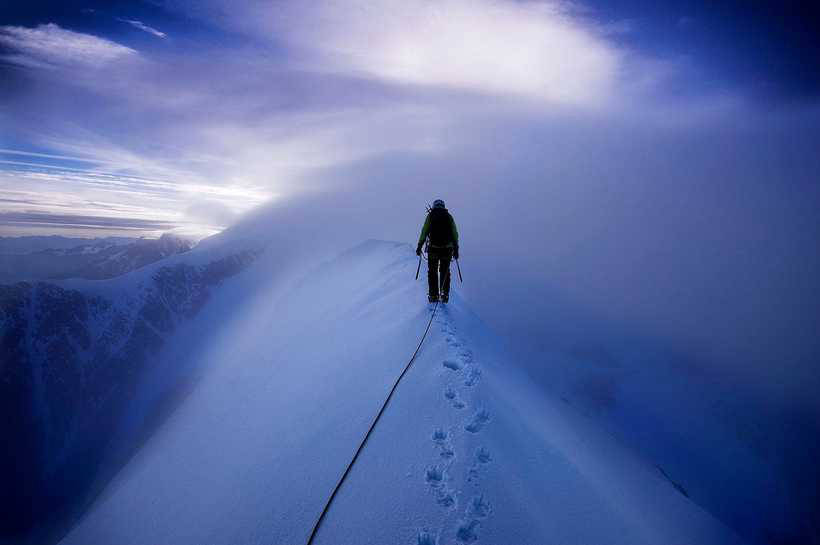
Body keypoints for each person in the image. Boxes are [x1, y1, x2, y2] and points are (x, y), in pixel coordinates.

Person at [416, 199, 459, 303]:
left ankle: (433, 295)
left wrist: (419, 245)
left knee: (432, 272)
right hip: (447, 249)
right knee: (445, 271)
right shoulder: (448, 217)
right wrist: (456, 248)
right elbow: (455, 233)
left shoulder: (431, 216)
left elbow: (424, 231)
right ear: (443, 206)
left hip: (433, 249)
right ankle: (444, 294)